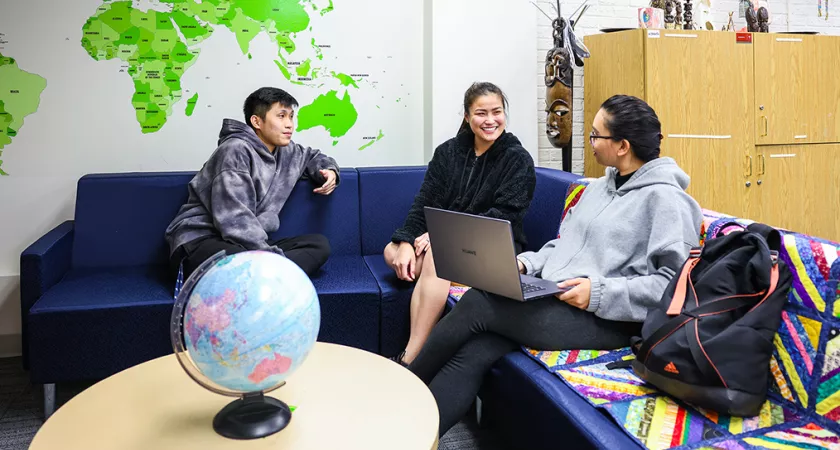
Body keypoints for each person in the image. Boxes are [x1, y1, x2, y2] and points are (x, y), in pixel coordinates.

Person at [407, 94, 704, 436]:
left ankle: (402, 385)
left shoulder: (668, 201)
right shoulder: (599, 188)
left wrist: (599, 293)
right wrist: (523, 264)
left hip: (610, 320)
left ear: (622, 146)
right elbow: (564, 247)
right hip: (558, 299)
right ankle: (412, 435)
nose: (590, 142)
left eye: (596, 136)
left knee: (478, 303)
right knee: (478, 349)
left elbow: (671, 288)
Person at [384, 82, 537, 366]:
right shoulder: (448, 153)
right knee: (392, 252)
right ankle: (436, 272)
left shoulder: (517, 159)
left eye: (497, 112)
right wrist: (407, 241)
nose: (490, 120)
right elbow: (424, 202)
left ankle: (411, 358)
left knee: (437, 259)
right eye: (481, 113)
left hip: (494, 247)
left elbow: (504, 216)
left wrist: (442, 236)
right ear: (467, 117)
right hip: (450, 244)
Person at [166, 87, 339, 281]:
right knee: (242, 262)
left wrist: (329, 170)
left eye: (291, 116)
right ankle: (272, 274)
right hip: (200, 241)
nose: (289, 124)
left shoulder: (287, 152)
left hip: (245, 244)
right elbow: (235, 220)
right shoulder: (234, 150)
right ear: (256, 121)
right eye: (281, 116)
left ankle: (265, 274)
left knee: (318, 245)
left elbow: (311, 157)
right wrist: (269, 257)